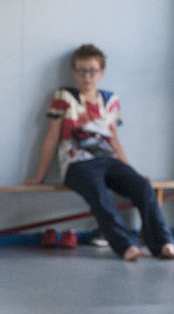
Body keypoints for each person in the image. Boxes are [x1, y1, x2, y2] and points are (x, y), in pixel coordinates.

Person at [26, 43, 174, 261]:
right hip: (78, 164)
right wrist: (40, 175)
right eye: (81, 71)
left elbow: (114, 140)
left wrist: (130, 171)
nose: (87, 77)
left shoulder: (110, 100)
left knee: (143, 187)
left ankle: (163, 243)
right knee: (99, 193)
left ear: (101, 73)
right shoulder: (64, 96)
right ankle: (126, 246)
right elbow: (51, 137)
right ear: (74, 72)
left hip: (109, 162)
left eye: (92, 71)